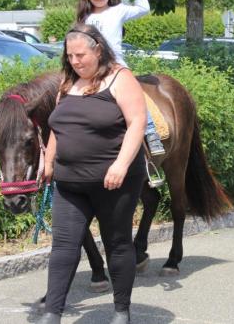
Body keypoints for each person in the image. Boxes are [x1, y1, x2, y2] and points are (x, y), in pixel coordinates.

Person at [37, 25, 146, 324]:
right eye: (70, 55)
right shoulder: (67, 82)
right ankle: (52, 314)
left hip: (114, 182)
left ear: (98, 49)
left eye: (80, 54)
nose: (74, 61)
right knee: (63, 246)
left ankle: (121, 311)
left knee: (118, 242)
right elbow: (58, 125)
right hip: (69, 183)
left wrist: (121, 164)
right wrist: (49, 159)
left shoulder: (120, 78)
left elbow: (137, 121)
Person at [77, 0, 165, 156]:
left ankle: (150, 132)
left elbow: (144, 8)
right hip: (89, 69)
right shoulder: (85, 18)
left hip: (114, 66)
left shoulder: (118, 11)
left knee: (135, 93)